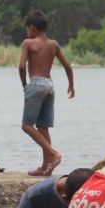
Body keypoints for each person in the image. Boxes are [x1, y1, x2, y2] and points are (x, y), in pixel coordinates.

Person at [18, 10, 75, 177]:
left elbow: (22, 66)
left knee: (27, 125)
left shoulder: (28, 43)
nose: (27, 32)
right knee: (43, 127)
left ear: (32, 28)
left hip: (35, 83)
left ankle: (53, 153)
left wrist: (24, 85)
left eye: (27, 29)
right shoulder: (53, 44)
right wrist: (71, 85)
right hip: (50, 85)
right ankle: (46, 167)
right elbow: (68, 67)